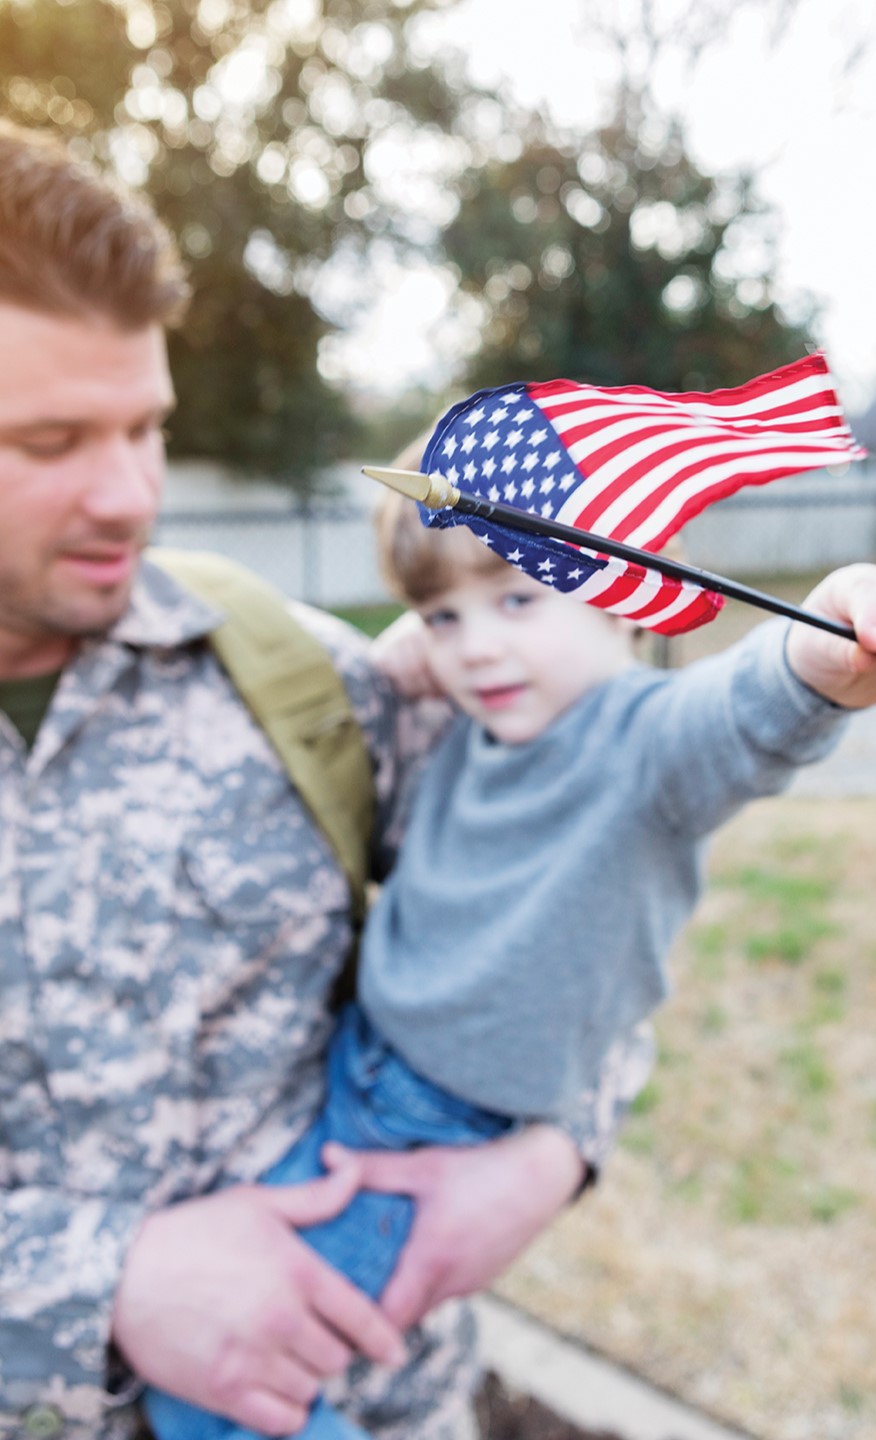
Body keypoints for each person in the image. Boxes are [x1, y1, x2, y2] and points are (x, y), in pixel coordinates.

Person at [0, 121, 647, 1440]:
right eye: (54, 438)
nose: (130, 494)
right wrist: (95, 1288)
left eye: (146, 426)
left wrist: (551, 1153)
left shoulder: (295, 679)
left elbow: (576, 892)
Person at [144, 486, 876, 1440]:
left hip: (430, 1133)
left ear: (623, 591)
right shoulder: (489, 723)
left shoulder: (643, 746)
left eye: (516, 601)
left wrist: (821, 658)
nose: (476, 647)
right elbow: (419, 663)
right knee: (237, 1331)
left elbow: (740, 714)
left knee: (225, 1387)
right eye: (444, 616)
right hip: (359, 1078)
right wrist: (421, 649)